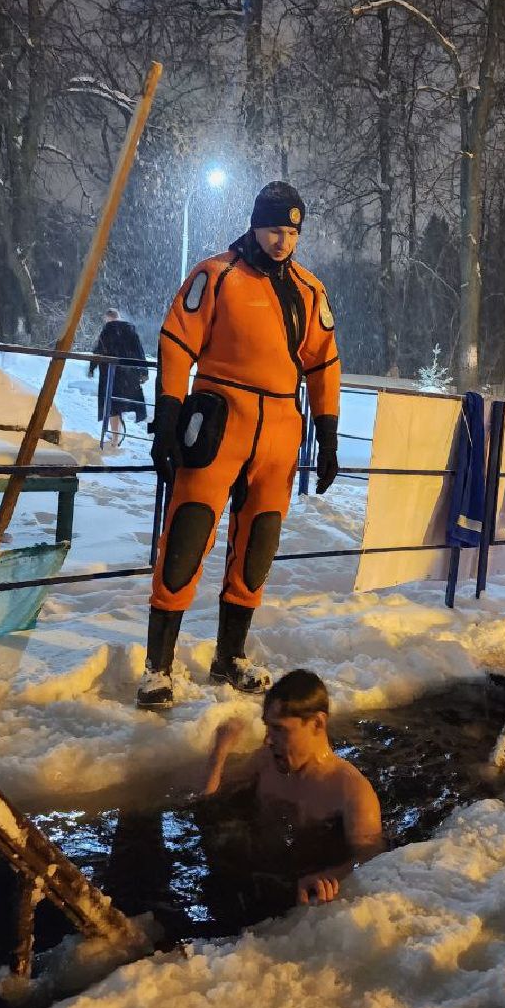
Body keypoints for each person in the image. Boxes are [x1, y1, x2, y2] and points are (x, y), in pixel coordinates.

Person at [138, 181, 341, 710]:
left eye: (293, 231)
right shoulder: (216, 274)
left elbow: (323, 361)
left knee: (258, 548)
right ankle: (158, 667)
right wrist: (168, 413)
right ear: (255, 224)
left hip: (279, 430)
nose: (283, 240)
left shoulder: (311, 290)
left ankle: (230, 656)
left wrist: (328, 430)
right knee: (187, 537)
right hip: (218, 420)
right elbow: (177, 339)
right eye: (275, 228)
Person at [201, 669, 383, 905]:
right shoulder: (265, 761)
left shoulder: (352, 792)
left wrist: (331, 877)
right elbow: (209, 798)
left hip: (300, 888)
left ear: (317, 723)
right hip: (254, 875)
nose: (267, 740)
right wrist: (220, 750)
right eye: (268, 727)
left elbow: (372, 862)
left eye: (279, 729)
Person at [87, 308, 148, 448]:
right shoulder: (130, 331)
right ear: (119, 317)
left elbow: (99, 351)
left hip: (111, 375)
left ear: (107, 318)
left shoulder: (107, 331)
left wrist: (92, 367)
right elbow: (139, 351)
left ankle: (115, 438)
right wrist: (144, 371)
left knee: (112, 407)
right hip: (128, 375)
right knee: (121, 403)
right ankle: (117, 437)